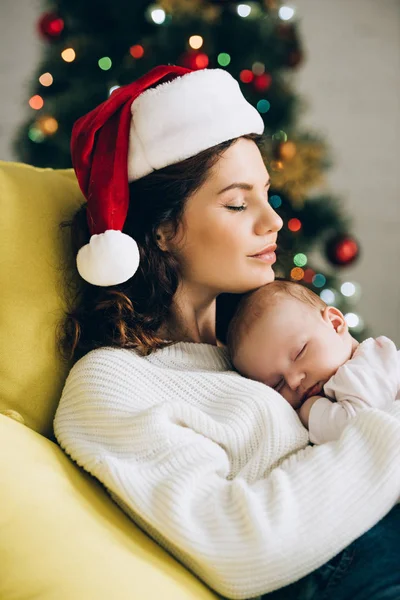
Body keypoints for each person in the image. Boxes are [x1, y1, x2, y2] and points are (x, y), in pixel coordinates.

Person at [54, 64, 400, 600]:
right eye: (238, 203)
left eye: (266, 194)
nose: (274, 222)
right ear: (164, 230)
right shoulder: (112, 382)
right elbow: (243, 546)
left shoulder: (265, 339)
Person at [226, 279, 400, 444]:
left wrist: (310, 409)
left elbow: (360, 429)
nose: (293, 382)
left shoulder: (364, 366)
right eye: (278, 384)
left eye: (299, 353)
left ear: (334, 323)